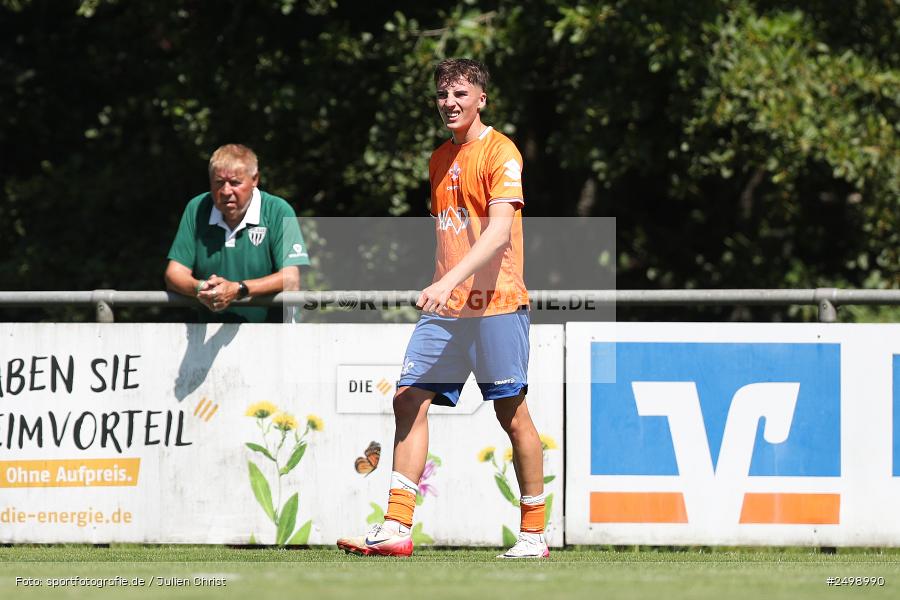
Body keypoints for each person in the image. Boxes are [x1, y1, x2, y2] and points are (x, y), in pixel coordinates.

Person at [337, 59, 547, 559]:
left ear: (481, 99)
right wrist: (444, 283)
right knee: (408, 398)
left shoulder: (501, 151)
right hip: (447, 311)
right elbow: (452, 238)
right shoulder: (438, 159)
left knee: (512, 413)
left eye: (460, 94)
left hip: (496, 304)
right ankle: (396, 527)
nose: (449, 103)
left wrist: (449, 280)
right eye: (442, 95)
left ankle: (534, 534)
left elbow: (498, 233)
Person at [164, 144, 310, 322]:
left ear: (255, 179)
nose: (226, 191)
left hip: (273, 334)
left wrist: (238, 289)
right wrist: (201, 288)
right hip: (209, 334)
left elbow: (291, 279)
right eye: (219, 183)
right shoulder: (197, 208)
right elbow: (174, 274)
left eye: (235, 183)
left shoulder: (277, 210)